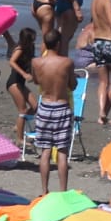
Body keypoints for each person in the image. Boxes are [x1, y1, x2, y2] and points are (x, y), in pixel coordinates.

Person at [31, 30, 78, 191]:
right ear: (58, 44)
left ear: (45, 43)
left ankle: (44, 190)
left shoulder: (36, 62)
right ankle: (63, 191)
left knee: (45, 150)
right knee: (62, 152)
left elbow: (37, 81)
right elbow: (73, 85)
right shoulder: (66, 62)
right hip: (62, 106)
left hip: (45, 106)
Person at [4, 26, 37, 141]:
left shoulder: (30, 48)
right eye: (32, 39)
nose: (34, 41)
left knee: (35, 106)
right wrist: (24, 74)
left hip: (21, 84)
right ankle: (20, 139)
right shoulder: (20, 49)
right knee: (22, 111)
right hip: (14, 83)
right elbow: (12, 62)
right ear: (25, 39)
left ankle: (19, 125)